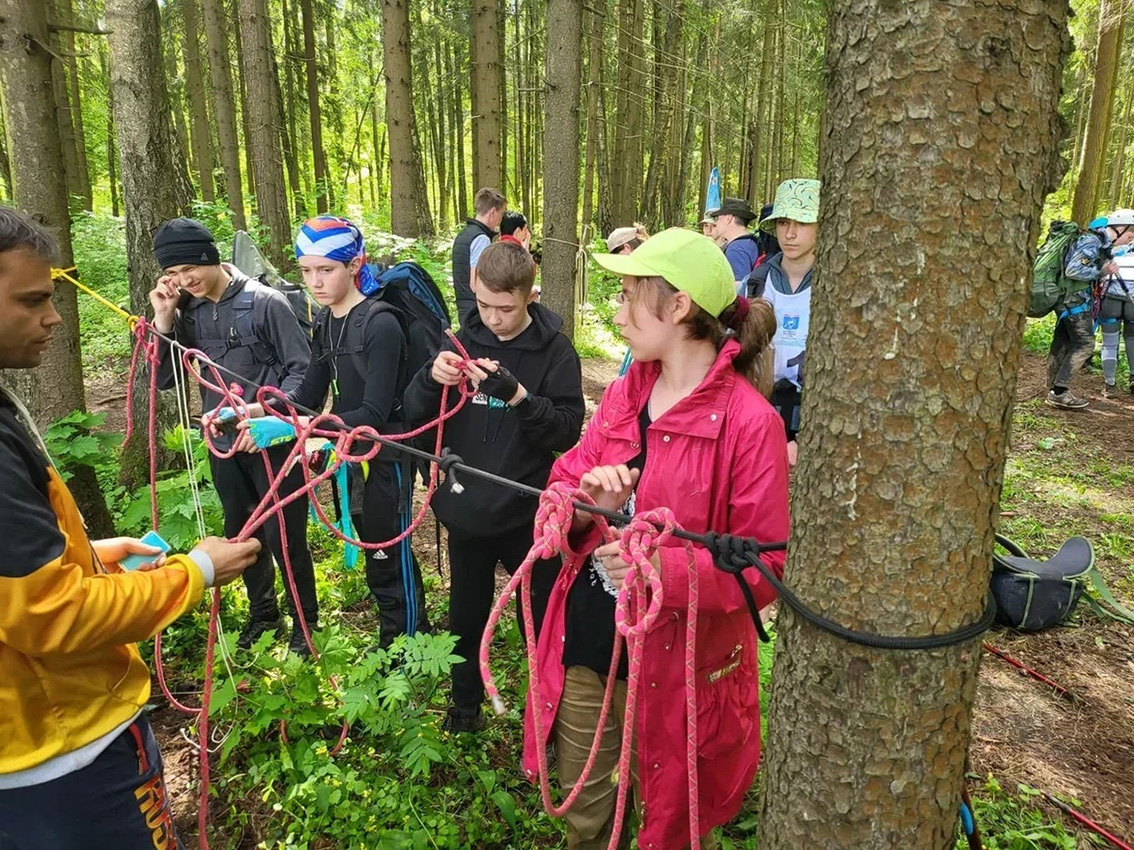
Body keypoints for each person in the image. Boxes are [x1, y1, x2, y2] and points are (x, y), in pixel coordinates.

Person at [0, 205, 262, 850]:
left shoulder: (263, 304)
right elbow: (50, 615)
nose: (54, 317)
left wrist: (84, 555)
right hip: (63, 754)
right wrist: (195, 571)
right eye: (32, 300)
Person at [524, 227, 789, 850]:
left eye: (628, 296)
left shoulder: (752, 425)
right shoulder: (622, 396)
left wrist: (661, 573)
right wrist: (591, 508)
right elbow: (561, 495)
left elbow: (768, 563)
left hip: (682, 666)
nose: (616, 313)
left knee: (669, 819)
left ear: (678, 307)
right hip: (591, 643)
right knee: (585, 807)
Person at [403, 240, 585, 732]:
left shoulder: (554, 352)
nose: (494, 318)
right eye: (483, 305)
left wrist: (519, 396)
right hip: (467, 512)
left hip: (527, 513)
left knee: (542, 621)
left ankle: (547, 719)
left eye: (505, 308)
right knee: (464, 616)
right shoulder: (463, 339)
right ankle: (464, 710)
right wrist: (430, 376)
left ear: (530, 296)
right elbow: (414, 413)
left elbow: (567, 430)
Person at [236, 216, 430, 647]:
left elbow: (375, 412)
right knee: (372, 546)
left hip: (386, 455)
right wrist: (254, 408)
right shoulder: (325, 321)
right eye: (306, 270)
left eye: (326, 269)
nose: (315, 281)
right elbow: (309, 391)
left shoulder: (381, 323)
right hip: (349, 452)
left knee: (387, 552)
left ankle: (403, 644)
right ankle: (408, 634)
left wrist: (303, 427)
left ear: (355, 264)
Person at [149, 218, 318, 655]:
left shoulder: (267, 303)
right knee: (238, 531)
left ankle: (305, 622)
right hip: (222, 442)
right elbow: (166, 379)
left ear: (209, 257)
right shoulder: (190, 311)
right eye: (174, 275)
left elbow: (304, 373)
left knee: (285, 535)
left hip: (273, 441)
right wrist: (164, 318)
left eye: (191, 269)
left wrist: (265, 413)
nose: (186, 281)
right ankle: (263, 615)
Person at [745, 178, 820, 466]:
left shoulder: (838, 288)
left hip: (815, 418)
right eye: (783, 222)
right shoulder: (756, 284)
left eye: (801, 223)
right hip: (758, 416)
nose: (789, 233)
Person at [1047, 211, 1134, 409]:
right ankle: (1059, 392)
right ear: (1120, 229)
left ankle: (1052, 388)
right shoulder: (1092, 241)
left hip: (1070, 299)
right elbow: (1073, 270)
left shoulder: (1101, 244)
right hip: (1074, 300)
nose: (1130, 241)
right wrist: (1102, 271)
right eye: (1130, 236)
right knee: (1085, 343)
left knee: (1064, 341)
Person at [1092, 209, 1134, 398]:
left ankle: (1110, 385)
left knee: (1109, 344)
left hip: (1110, 299)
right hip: (1132, 301)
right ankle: (1133, 379)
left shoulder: (1107, 246)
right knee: (1132, 339)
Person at [453, 187, 507, 323]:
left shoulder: (463, 234)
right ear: (492, 212)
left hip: (463, 306)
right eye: (500, 215)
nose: (499, 221)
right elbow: (475, 283)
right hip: (475, 311)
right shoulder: (481, 239)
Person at [707, 197, 760, 288]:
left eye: (717, 218)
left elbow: (739, 287)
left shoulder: (736, 249)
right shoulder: (750, 242)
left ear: (728, 218)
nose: (716, 223)